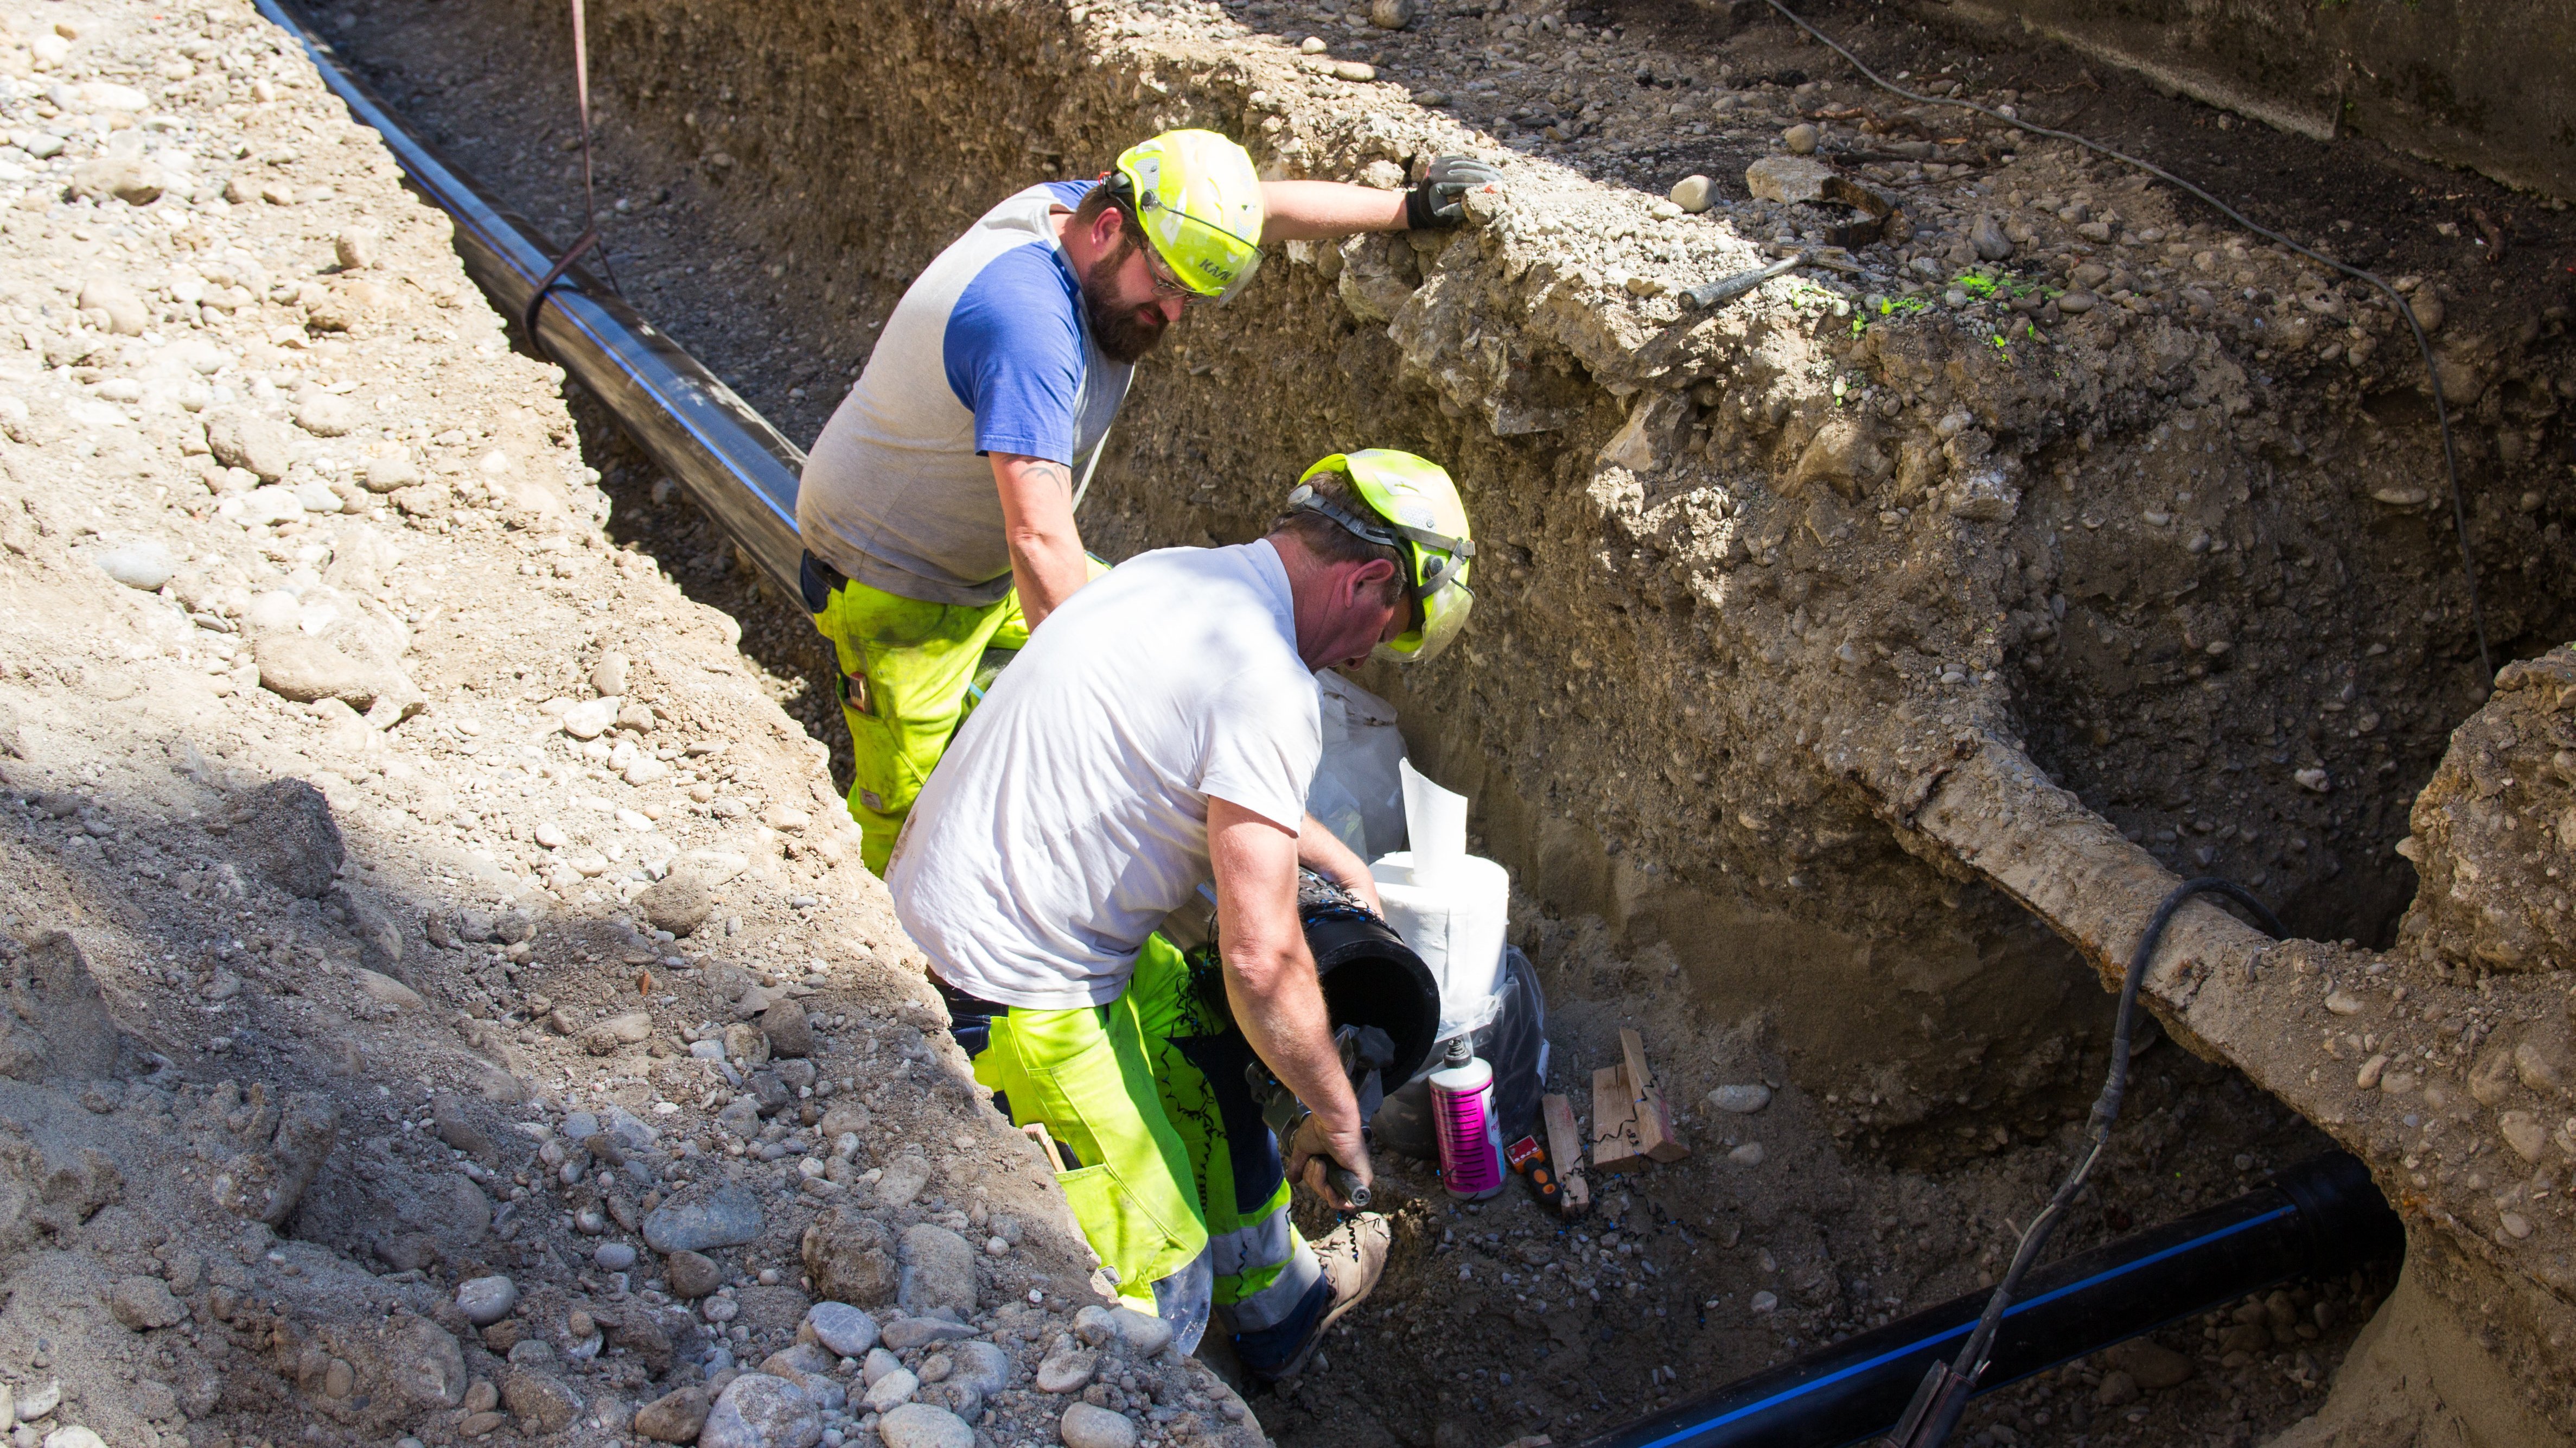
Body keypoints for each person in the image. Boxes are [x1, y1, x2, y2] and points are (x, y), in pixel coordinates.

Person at [885, 450, 1476, 1381]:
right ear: (1367, 579)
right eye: (1386, 630)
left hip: (982, 916)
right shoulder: (1270, 685)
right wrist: (1336, 1116)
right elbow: (1262, 962)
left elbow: (1208, 767)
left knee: (1206, 1034)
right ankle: (1176, 1386)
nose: (1367, 655)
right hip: (1003, 988)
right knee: (1160, 1280)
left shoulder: (1172, 575)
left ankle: (1279, 1302)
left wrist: (1325, 852)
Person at [796, 129, 1499, 873]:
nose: (1173, 315)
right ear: (1108, 232)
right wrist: (1128, 742)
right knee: (918, 818)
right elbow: (1040, 540)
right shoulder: (1030, 327)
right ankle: (892, 962)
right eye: (1164, 287)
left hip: (981, 560)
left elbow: (1261, 209)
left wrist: (1409, 207)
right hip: (895, 583)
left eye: (1190, 295)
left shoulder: (1121, 211)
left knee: (1166, 648)